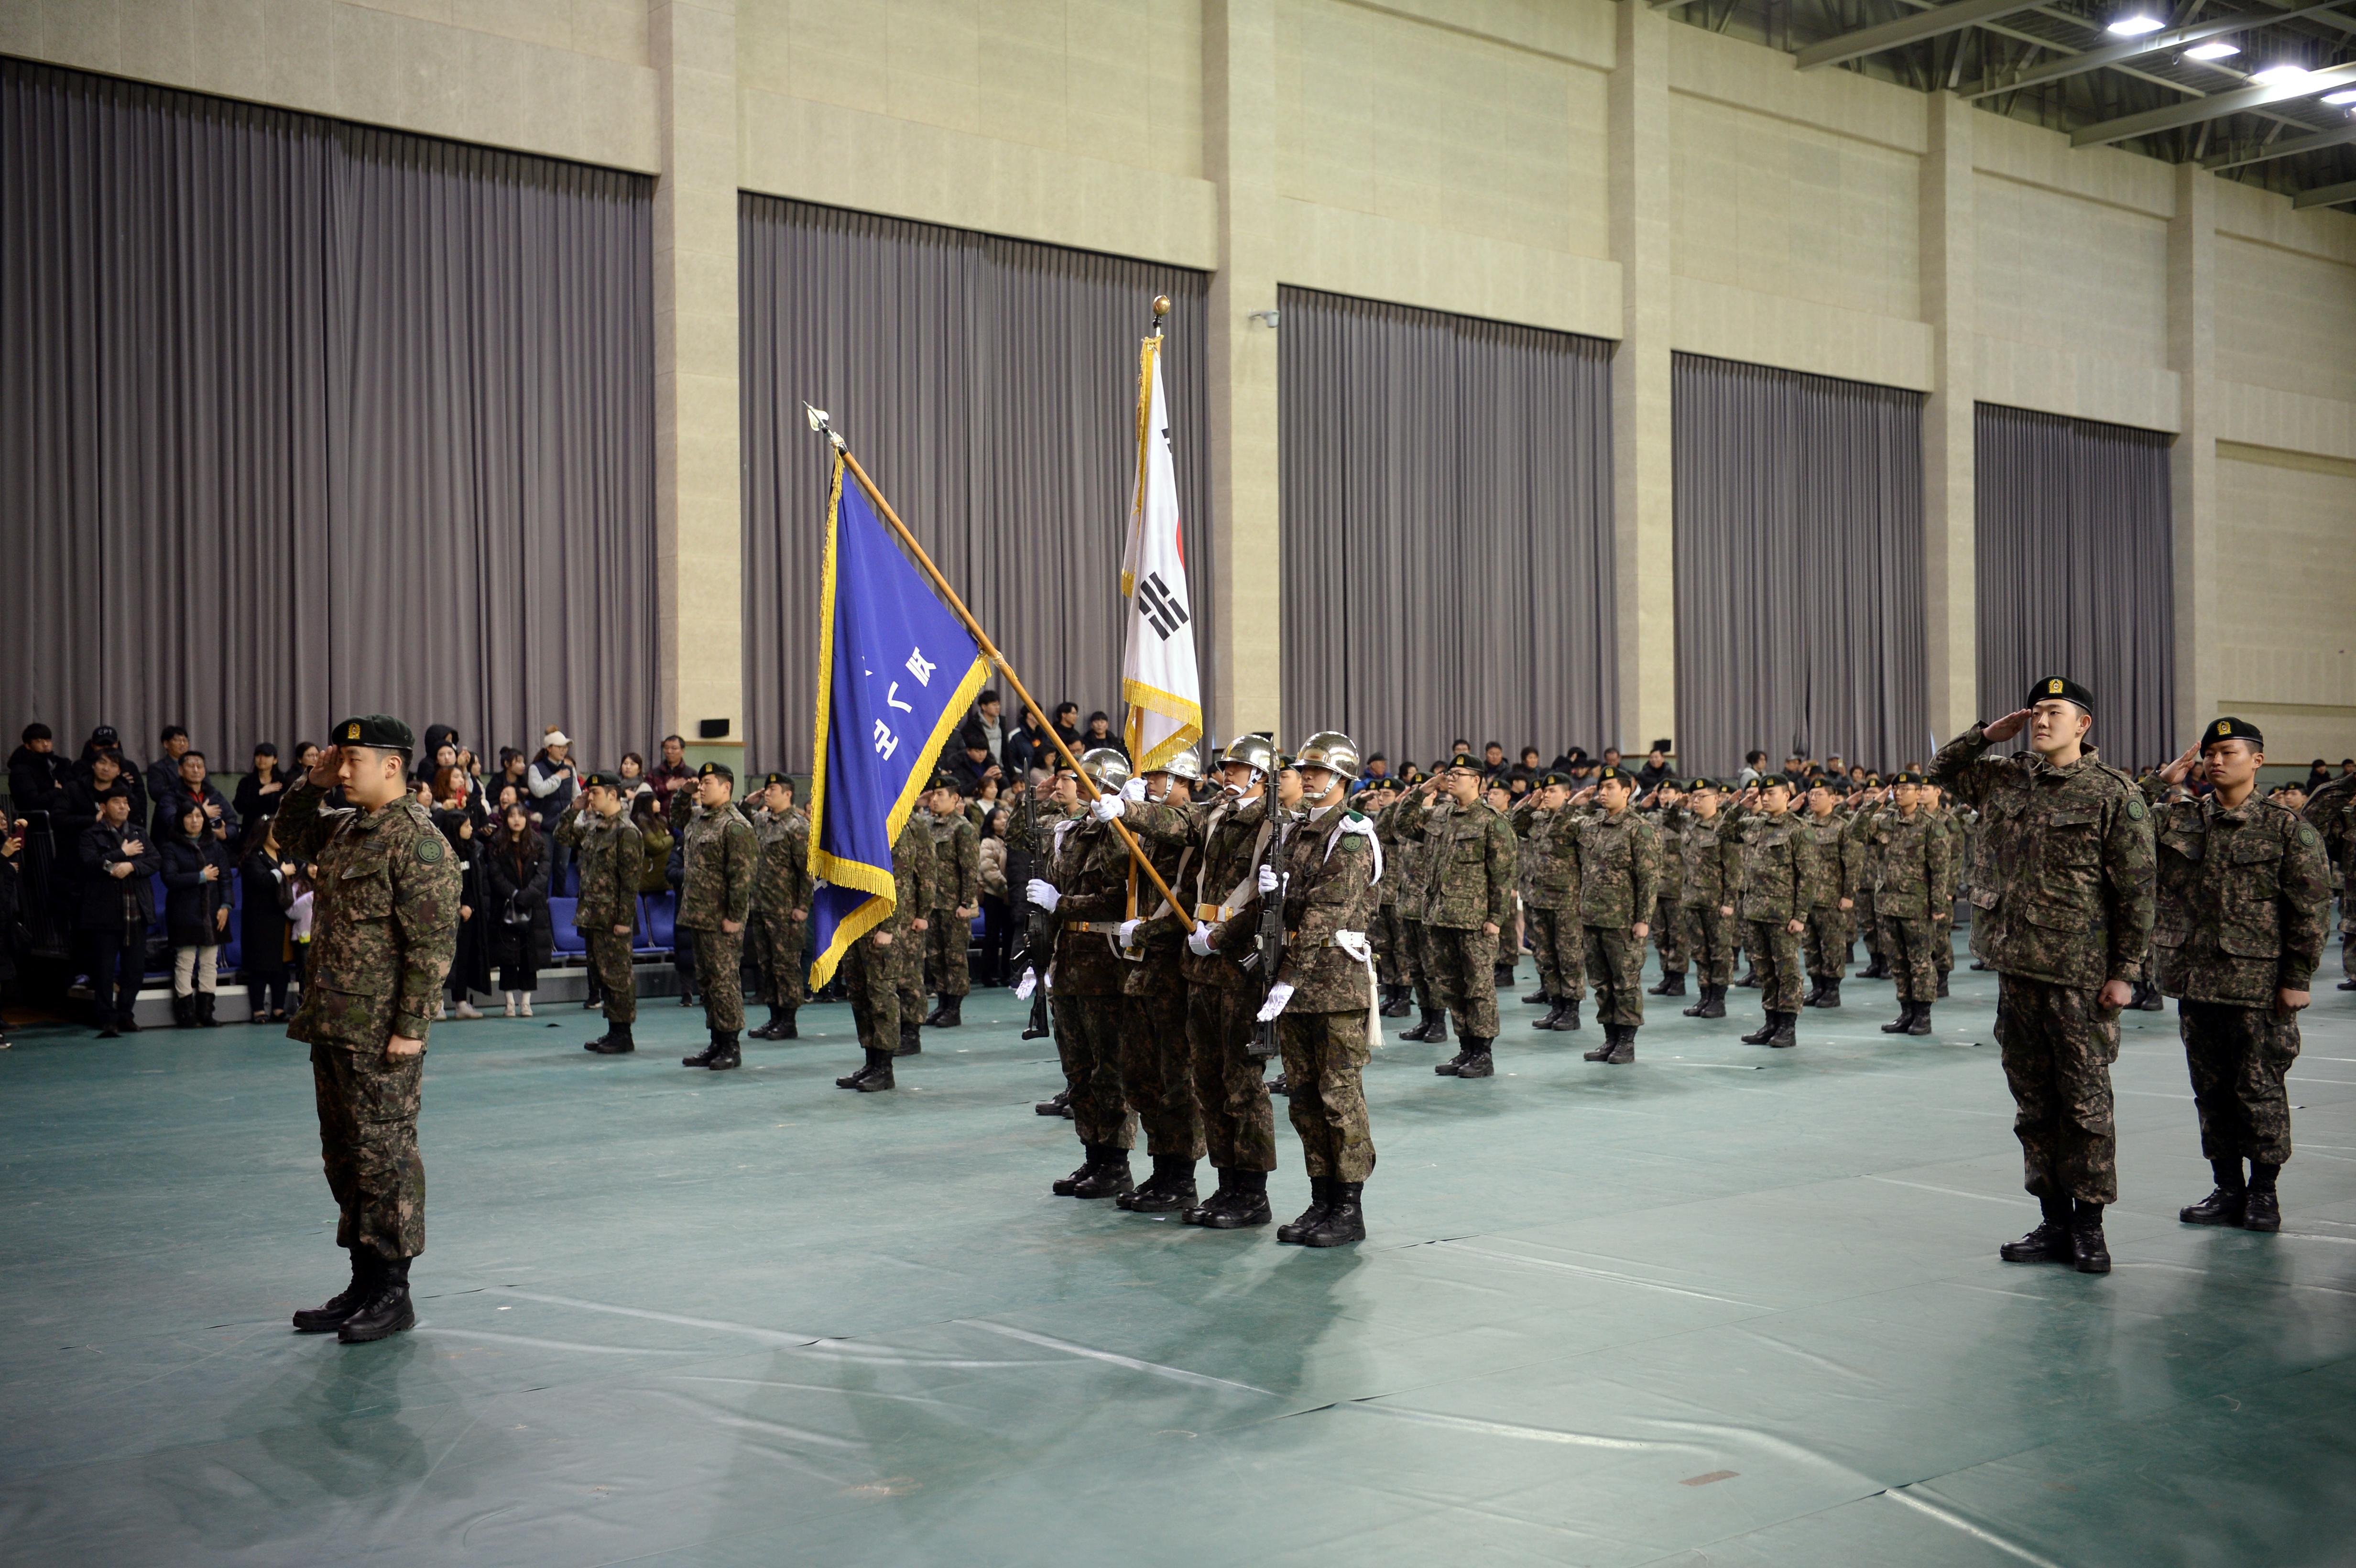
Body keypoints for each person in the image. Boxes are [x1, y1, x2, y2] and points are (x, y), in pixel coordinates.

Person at [1930, 677, 2154, 1275]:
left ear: (2083, 724)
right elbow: (1939, 772)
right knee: (2032, 1104)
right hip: (2016, 971)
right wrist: (1984, 736)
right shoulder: (2006, 778)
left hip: (2077, 977)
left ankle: (2089, 1225)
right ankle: (2051, 1218)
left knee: (2084, 1106)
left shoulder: (2112, 794)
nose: (2040, 721)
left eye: (2054, 712)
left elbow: (2135, 894)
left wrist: (2125, 973)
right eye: (2036, 712)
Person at [277, 718, 461, 1343]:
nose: (344, 768)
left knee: (385, 1161)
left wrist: (411, 1027)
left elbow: (433, 942)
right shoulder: (349, 828)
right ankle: (362, 1279)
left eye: (353, 758)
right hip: (333, 1022)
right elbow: (288, 833)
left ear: (392, 766)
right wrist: (313, 781)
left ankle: (393, 1291)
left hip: (382, 1032)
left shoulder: (419, 841)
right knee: (345, 1159)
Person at [2148, 720, 2331, 1232]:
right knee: (2210, 1091)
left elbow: (2310, 908)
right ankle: (2226, 1186)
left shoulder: (2285, 827)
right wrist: (2159, 784)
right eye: (2208, 753)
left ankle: (2263, 1192)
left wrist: (2296, 976)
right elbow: (2120, 822)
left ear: (2257, 760)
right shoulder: (2179, 819)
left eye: (2227, 751)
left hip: (2257, 988)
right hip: (2195, 982)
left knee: (2259, 1089)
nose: (2214, 760)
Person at [1253, 731, 1380, 1246]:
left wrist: (1285, 976)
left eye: (1318, 771)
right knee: (1303, 1099)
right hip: (1298, 986)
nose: (1306, 777)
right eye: (1303, 770)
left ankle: (1348, 1207)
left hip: (1333, 986)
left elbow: (1327, 912)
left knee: (1338, 1098)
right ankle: (1320, 1198)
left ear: (1342, 780)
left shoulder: (1350, 834)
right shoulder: (1297, 831)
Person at [1102, 748, 1207, 1216]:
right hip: (1142, 966)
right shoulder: (1150, 829)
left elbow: (1183, 898)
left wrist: (1130, 810)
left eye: (1161, 775)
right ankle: (1160, 1167)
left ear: (1183, 781)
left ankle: (1181, 1174)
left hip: (1174, 966)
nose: (1152, 781)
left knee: (1176, 1077)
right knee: (1141, 1074)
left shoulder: (1194, 822)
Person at [1395, 754, 1517, 1077]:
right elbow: (1402, 825)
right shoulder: (1440, 815)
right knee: (1452, 987)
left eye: (1459, 774)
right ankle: (1465, 1049)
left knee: (1478, 988)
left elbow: (1503, 875)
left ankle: (1483, 1053)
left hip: (1474, 921)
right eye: (1449, 773)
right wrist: (1423, 790)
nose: (1451, 778)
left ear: (1477, 780)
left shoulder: (1493, 821)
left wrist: (1496, 918)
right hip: (1440, 917)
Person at [835, 803, 935, 1091]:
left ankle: (884, 1067)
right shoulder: (856, 830)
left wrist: (889, 928)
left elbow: (900, 883)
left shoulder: (893, 831)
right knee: (859, 995)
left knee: (882, 996)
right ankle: (870, 1061)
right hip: (854, 924)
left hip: (880, 926)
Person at [1564, 766, 1660, 1064]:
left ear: (1627, 791)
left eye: (1609, 788)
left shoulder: (1638, 828)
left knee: (1625, 983)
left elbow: (1648, 878)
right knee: (1601, 984)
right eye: (1600, 788)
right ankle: (1610, 1039)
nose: (1602, 793)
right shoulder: (1591, 824)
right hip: (1592, 918)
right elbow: (1557, 832)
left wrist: (1643, 919)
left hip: (1623, 921)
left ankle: (1627, 1042)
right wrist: (1572, 805)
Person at [675, 762, 757, 1071]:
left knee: (724, 982)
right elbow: (676, 818)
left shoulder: (735, 826)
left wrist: (735, 917)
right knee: (708, 983)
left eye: (708, 782)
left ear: (726, 787)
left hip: (722, 918)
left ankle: (731, 1046)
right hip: (699, 914)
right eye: (701, 783)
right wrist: (684, 794)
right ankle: (716, 1041)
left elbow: (742, 877)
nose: (702, 787)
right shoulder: (700, 819)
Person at [560, 770, 648, 1054]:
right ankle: (613, 1030)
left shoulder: (627, 831)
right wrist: (575, 808)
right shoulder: (594, 827)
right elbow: (561, 835)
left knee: (618, 977)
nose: (590, 798)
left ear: (614, 795)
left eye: (595, 793)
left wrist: (624, 921)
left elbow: (630, 881)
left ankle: (624, 1034)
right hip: (593, 917)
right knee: (602, 976)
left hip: (614, 920)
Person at [1867, 773, 1954, 1037]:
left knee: (1920, 962)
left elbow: (1940, 870)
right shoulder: (1884, 821)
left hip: (1917, 906)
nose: (1900, 793)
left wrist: (1938, 904)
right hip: (1887, 904)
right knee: (1897, 962)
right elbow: (1856, 831)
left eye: (1906, 789)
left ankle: (1923, 1015)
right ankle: (1906, 1012)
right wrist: (1874, 804)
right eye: (1897, 788)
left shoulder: (1931, 826)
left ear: (1919, 794)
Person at [1734, 775, 1817, 1049]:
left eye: (1771, 793)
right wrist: (1740, 806)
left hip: (1782, 915)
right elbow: (1723, 831)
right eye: (1762, 794)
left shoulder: (1798, 830)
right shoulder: (1754, 825)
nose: (1764, 798)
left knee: (1787, 972)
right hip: (1755, 911)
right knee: (1764, 971)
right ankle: (1770, 1022)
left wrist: (1800, 916)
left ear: (1787, 795)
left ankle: (1787, 1026)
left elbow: (1807, 876)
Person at [77, 788, 157, 1037]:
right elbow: (90, 864)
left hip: (136, 910)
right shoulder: (91, 834)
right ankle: (106, 1018)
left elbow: (156, 861)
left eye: (126, 803)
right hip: (105, 912)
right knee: (104, 969)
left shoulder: (139, 833)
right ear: (103, 806)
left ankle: (126, 1014)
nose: (124, 807)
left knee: (135, 969)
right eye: (117, 802)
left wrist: (131, 865)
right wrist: (121, 856)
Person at [1511, 771, 1585, 1032]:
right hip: (1536, 898)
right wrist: (1530, 804)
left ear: (1567, 794)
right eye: (1545, 790)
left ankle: (1571, 1009)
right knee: (1545, 956)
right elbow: (1514, 827)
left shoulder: (1576, 820)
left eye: (1553, 791)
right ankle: (1556, 1006)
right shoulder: (1537, 819)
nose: (1547, 794)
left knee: (1569, 957)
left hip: (1565, 900)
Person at [745, 772, 813, 1041]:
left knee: (786, 966)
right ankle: (774, 1017)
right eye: (766, 789)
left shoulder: (798, 826)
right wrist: (749, 802)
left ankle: (789, 1020)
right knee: (768, 964)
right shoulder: (763, 821)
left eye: (773, 789)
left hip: (787, 909)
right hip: (762, 905)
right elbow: (741, 816)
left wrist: (802, 906)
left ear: (788, 794)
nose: (767, 793)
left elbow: (807, 872)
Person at [159, 799, 235, 1027]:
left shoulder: (214, 845)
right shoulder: (171, 847)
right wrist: (200, 876)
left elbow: (225, 879)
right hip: (184, 912)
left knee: (210, 962)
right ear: (181, 820)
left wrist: (226, 906)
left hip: (213, 912)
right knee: (185, 962)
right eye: (190, 817)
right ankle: (186, 1014)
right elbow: (170, 879)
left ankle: (206, 1012)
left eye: (199, 816)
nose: (195, 821)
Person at [1675, 778, 1744, 1021]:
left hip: (1717, 902)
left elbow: (1733, 869)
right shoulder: (1688, 823)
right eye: (1693, 796)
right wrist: (1677, 804)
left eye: (1702, 796)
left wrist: (1730, 902)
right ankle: (1705, 995)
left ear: (1716, 799)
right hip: (1692, 900)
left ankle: (1718, 999)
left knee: (1720, 952)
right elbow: (1667, 819)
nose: (1695, 801)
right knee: (1699, 952)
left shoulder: (1724, 828)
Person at [483, 802, 552, 1017]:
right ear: (506, 819)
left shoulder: (538, 844)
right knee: (507, 957)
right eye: (512, 816)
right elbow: (496, 876)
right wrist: (514, 894)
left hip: (533, 906)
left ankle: (526, 1003)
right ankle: (509, 1003)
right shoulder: (496, 844)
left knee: (529, 957)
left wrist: (527, 895)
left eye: (521, 815)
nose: (516, 820)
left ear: (527, 819)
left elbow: (543, 874)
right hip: (506, 906)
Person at [922, 778, 981, 1027]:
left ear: (955, 799)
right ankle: (942, 1004)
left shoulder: (963, 828)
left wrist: (966, 903)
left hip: (954, 904)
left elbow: (969, 869)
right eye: (934, 794)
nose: (935, 799)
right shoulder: (929, 825)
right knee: (936, 956)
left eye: (941, 794)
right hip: (933, 904)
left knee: (955, 958)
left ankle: (954, 1008)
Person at [1799, 778, 1858, 1009]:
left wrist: (1848, 894)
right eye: (1811, 795)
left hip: (1832, 898)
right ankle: (1817, 987)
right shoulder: (1803, 825)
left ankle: (1832, 990)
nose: (1813, 799)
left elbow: (1852, 864)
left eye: (1819, 795)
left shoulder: (1842, 827)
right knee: (1810, 946)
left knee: (1832, 945)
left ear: (1833, 799)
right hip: (1807, 898)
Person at [239, 821, 299, 1024]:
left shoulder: (285, 855)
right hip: (260, 920)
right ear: (264, 834)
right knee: (260, 966)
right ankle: (258, 1010)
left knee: (281, 966)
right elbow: (260, 881)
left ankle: (279, 1009)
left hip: (282, 917)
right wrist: (281, 872)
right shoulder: (253, 858)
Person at [526, 729, 578, 893]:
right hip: (544, 826)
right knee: (544, 869)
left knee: (562, 868)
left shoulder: (570, 770)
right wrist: (557, 778)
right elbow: (539, 791)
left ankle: (559, 902)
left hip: (565, 826)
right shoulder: (536, 768)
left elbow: (576, 795)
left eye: (566, 748)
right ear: (549, 748)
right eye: (560, 747)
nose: (564, 751)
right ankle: (543, 906)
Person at [158, 748, 238, 842]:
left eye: (199, 766)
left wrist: (225, 834)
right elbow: (171, 821)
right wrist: (202, 813)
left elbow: (232, 820)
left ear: (204, 771)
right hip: (182, 846)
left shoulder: (213, 794)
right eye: (191, 766)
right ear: (180, 770)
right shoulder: (171, 795)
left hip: (214, 845)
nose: (196, 770)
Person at [978, 806, 1014, 986]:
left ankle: (1008, 973)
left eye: (1006, 818)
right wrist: (1006, 888)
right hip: (994, 894)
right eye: (999, 819)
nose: (1003, 822)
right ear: (991, 822)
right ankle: (988, 974)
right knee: (992, 936)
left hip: (1010, 896)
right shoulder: (987, 843)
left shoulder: (1010, 841)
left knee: (1009, 936)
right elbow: (988, 870)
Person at [9, 723, 67, 816]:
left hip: (57, 813)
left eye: (48, 740)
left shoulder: (53, 763)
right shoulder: (21, 770)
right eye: (39, 741)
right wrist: (57, 792)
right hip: (38, 820)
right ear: (28, 745)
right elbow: (31, 802)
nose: (46, 744)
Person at [235, 742, 292, 826]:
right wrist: (260, 792)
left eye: (266, 755)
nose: (261, 759)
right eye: (258, 755)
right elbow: (239, 807)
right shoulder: (246, 782)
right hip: (251, 828)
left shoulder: (284, 782)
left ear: (275, 760)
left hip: (276, 828)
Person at [147, 726, 194, 825]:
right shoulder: (157, 768)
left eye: (185, 740)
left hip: (194, 815)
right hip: (168, 818)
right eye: (177, 740)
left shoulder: (197, 767)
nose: (182, 744)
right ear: (166, 744)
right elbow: (156, 793)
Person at [649, 734, 694, 821]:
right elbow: (647, 796)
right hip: (658, 820)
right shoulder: (654, 773)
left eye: (674, 748)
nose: (669, 751)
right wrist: (666, 788)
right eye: (666, 748)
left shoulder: (691, 774)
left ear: (683, 751)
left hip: (683, 821)